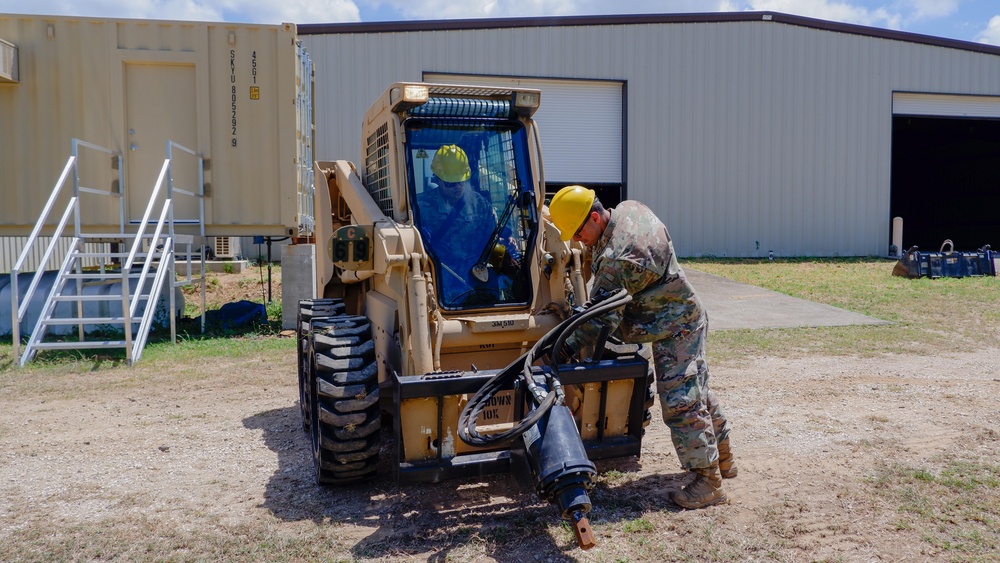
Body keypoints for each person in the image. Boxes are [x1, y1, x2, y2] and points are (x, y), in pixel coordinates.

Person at [548, 185, 737, 509]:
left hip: (675, 326)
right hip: (680, 314)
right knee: (697, 391)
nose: (578, 241)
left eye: (579, 233)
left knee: (680, 400)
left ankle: (709, 483)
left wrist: (564, 349)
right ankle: (724, 459)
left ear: (595, 217)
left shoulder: (619, 258)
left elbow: (600, 319)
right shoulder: (626, 210)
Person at [415, 144, 498, 306]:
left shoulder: (481, 206)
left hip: (475, 280)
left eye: (461, 181)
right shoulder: (421, 207)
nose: (458, 187)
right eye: (451, 183)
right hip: (437, 284)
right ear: (437, 179)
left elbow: (491, 240)